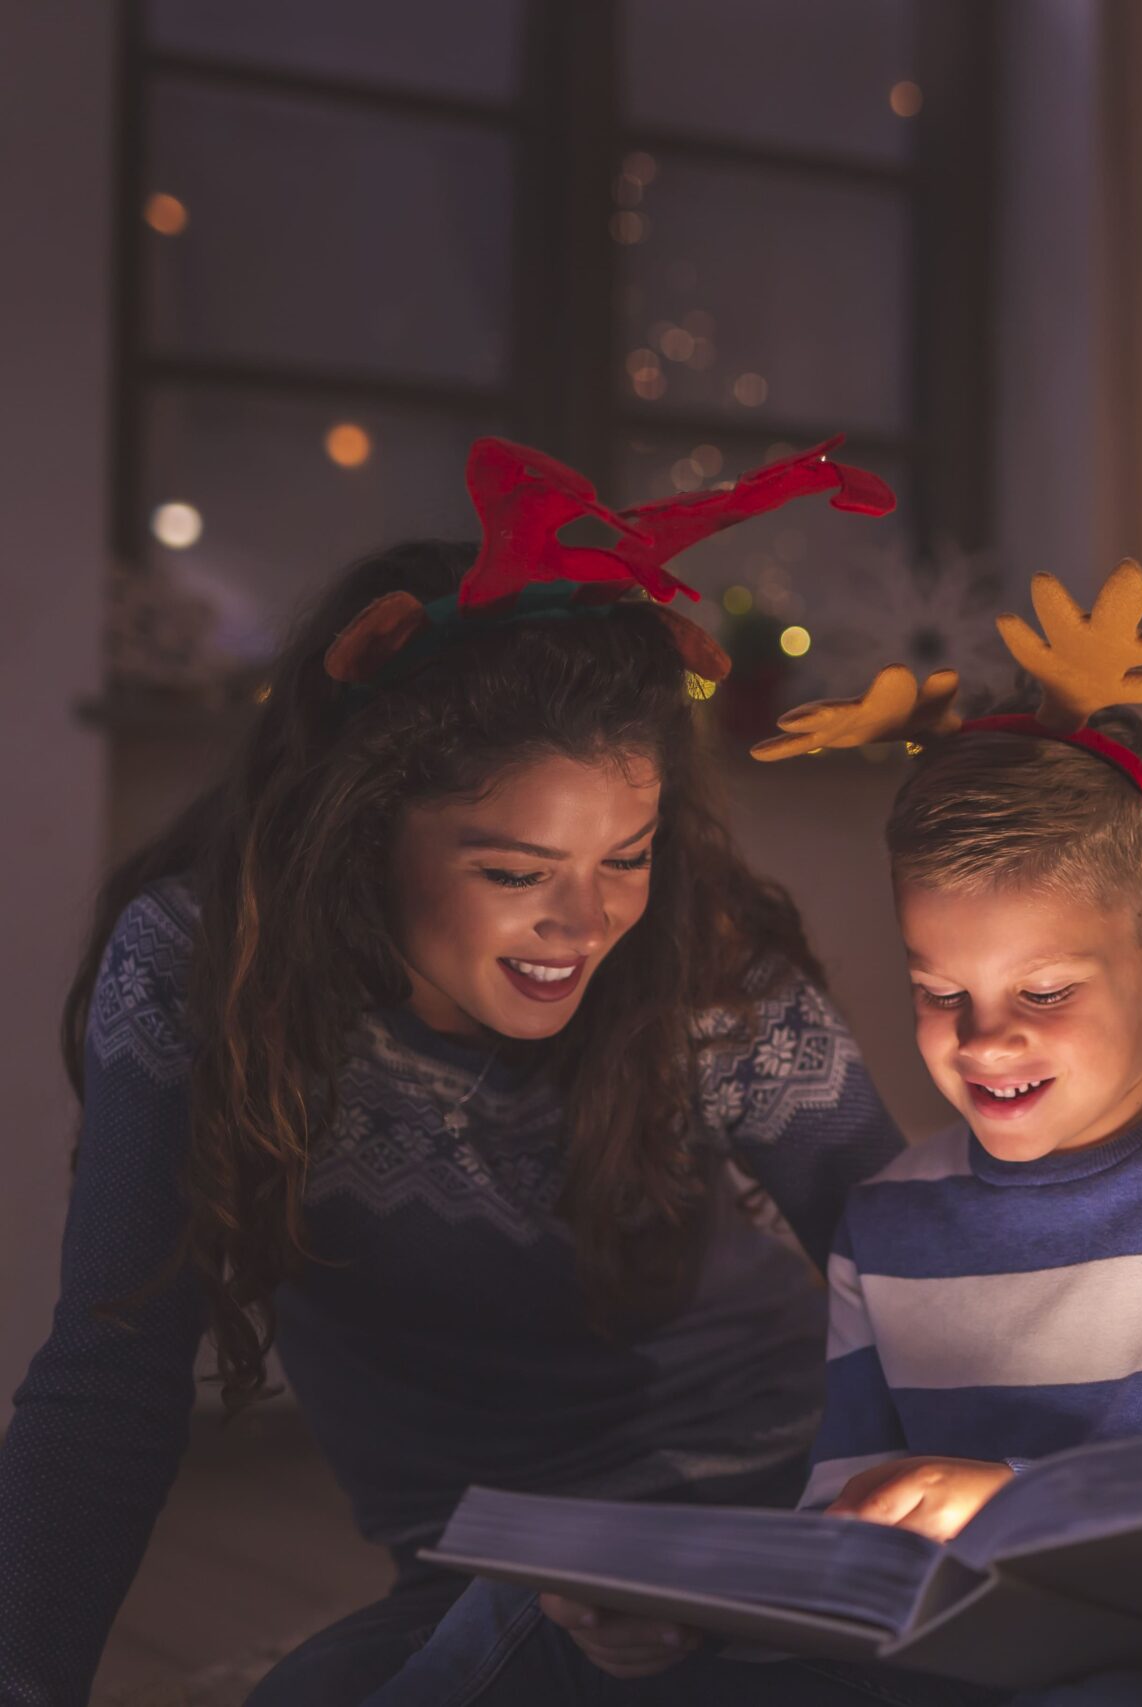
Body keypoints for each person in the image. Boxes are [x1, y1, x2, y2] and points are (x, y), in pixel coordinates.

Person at [364, 567, 1142, 1705]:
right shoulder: (890, 1219)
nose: (984, 1042)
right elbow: (844, 1534)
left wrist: (1008, 1502)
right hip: (947, 1670)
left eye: (1042, 994)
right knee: (526, 1624)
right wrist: (673, 1625)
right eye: (941, 993)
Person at [0, 439, 909, 1707]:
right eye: (514, 872)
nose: (585, 924)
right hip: (474, 1562)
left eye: (626, 857)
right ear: (364, 828)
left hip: (751, 1517)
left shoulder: (704, 970)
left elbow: (923, 1272)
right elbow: (108, 1373)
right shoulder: (198, 971)